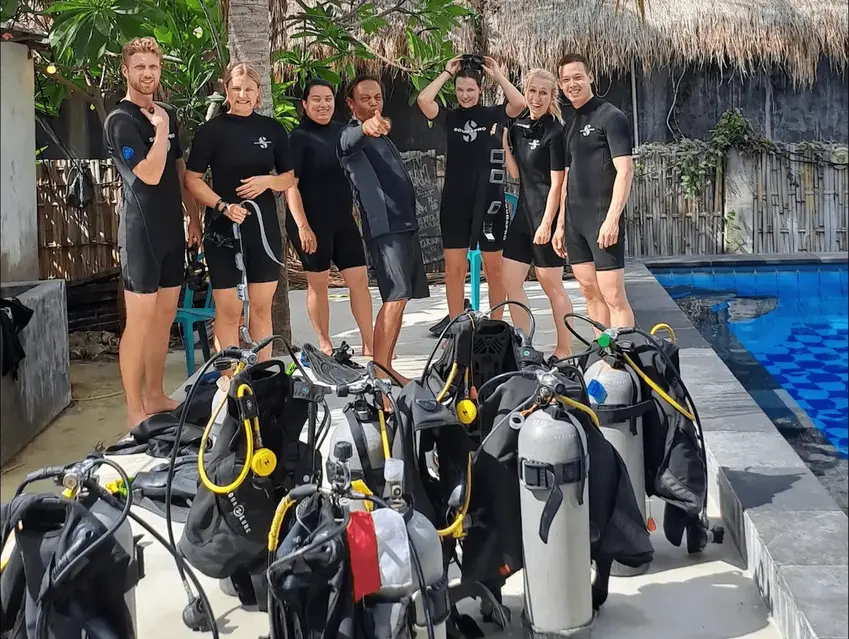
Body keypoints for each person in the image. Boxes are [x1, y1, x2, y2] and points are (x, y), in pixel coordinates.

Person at [103, 37, 202, 429]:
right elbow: (148, 173)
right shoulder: (120, 122)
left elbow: (178, 173)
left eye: (153, 67)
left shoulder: (168, 114)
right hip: (140, 236)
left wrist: (193, 218)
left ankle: (156, 393)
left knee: (164, 320)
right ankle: (134, 409)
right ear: (126, 71)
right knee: (139, 324)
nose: (147, 74)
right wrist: (159, 130)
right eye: (139, 67)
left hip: (171, 234)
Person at [183, 62, 295, 362]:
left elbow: (289, 178)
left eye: (249, 89)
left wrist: (266, 181)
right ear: (227, 91)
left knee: (260, 306)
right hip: (223, 228)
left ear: (258, 93)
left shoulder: (272, 130)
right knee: (229, 308)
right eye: (236, 88)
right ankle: (229, 376)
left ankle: (261, 373)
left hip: (262, 227)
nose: (243, 94)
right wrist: (222, 206)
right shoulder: (211, 131)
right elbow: (192, 179)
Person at [416, 55, 525, 322]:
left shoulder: (494, 114)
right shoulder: (450, 117)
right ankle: (455, 326)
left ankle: (496, 325)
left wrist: (497, 74)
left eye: (470, 90)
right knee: (454, 270)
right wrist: (445, 72)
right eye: (460, 90)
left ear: (480, 90)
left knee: (494, 269)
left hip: (490, 203)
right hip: (455, 203)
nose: (465, 95)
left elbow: (519, 103)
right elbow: (423, 101)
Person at [337, 75, 430, 386]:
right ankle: (379, 369)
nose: (373, 103)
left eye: (377, 97)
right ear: (351, 104)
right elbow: (351, 141)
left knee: (401, 298)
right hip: (385, 228)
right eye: (365, 98)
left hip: (404, 225)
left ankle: (386, 366)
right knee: (395, 295)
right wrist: (366, 127)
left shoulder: (382, 134)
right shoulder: (350, 134)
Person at [284, 79, 374, 357]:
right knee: (318, 284)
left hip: (343, 220)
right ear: (305, 104)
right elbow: (290, 185)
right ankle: (325, 342)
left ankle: (370, 343)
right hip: (311, 223)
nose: (323, 105)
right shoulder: (298, 138)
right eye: (316, 100)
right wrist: (302, 226)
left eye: (328, 99)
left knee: (359, 280)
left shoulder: (344, 132)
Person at [555, 52, 636, 330]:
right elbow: (567, 177)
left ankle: (624, 362)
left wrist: (613, 218)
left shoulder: (611, 117)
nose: (572, 84)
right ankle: (603, 355)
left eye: (578, 77)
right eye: (566, 79)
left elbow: (625, 171)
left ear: (590, 77)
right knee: (590, 294)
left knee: (614, 297)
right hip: (575, 221)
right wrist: (561, 225)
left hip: (602, 220)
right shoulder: (570, 124)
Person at [501, 68, 574, 361]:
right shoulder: (518, 126)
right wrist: (504, 144)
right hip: (522, 215)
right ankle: (525, 343)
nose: (537, 97)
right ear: (525, 90)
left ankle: (564, 347)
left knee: (551, 286)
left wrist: (548, 224)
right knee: (509, 282)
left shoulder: (555, 131)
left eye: (544, 92)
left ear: (552, 96)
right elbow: (517, 173)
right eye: (532, 91)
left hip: (546, 216)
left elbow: (558, 184)